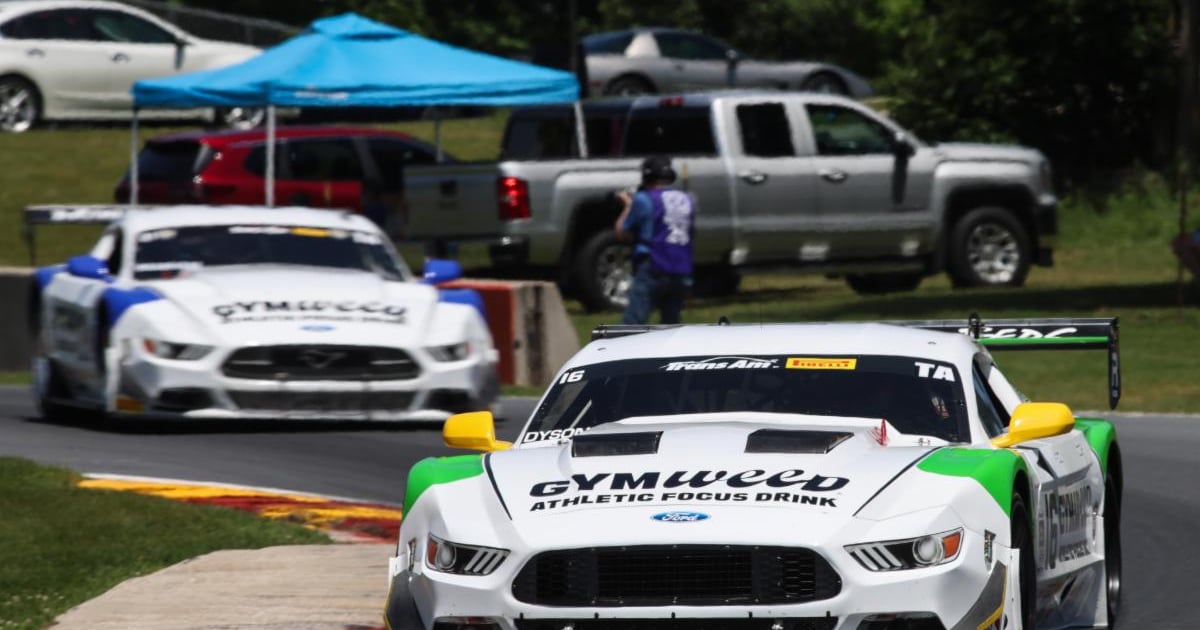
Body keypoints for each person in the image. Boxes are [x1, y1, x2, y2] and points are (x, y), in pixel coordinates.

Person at [615, 155, 696, 324]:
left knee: (632, 323)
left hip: (653, 265)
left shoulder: (644, 199)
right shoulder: (688, 200)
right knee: (671, 325)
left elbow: (622, 232)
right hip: (681, 268)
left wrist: (628, 205)